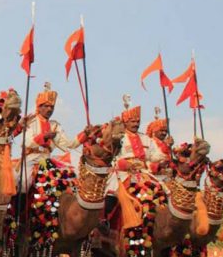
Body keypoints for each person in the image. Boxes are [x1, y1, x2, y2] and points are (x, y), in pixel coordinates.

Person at [102, 96, 167, 229]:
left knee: (161, 192)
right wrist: (125, 164)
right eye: (132, 121)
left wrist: (165, 151)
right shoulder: (119, 137)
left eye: (138, 121)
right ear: (125, 122)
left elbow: (156, 155)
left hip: (142, 173)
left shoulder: (146, 139)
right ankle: (104, 224)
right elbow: (112, 157)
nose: (136, 124)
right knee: (111, 195)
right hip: (122, 173)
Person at [16, 82, 86, 192]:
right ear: (39, 107)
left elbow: (69, 144)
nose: (49, 109)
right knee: (24, 184)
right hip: (31, 158)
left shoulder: (55, 126)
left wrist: (84, 134)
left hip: (47, 159)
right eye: (46, 106)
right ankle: (19, 208)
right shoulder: (31, 121)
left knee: (66, 181)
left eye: (51, 107)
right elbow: (27, 142)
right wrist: (44, 136)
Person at [146, 107, 173, 179]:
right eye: (161, 131)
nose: (164, 133)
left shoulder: (166, 143)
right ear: (154, 131)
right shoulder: (149, 143)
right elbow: (145, 161)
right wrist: (158, 165)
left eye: (166, 131)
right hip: (153, 178)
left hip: (168, 178)